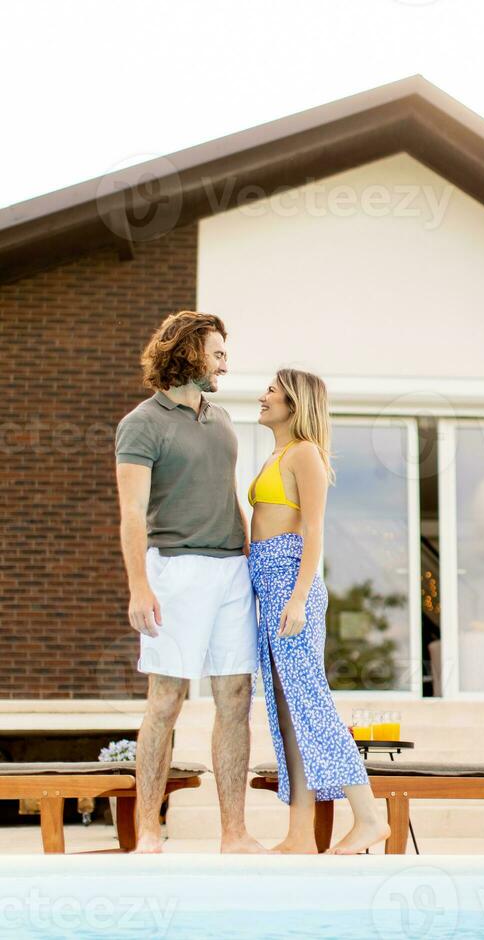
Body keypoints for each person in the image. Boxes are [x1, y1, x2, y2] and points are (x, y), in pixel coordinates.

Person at [114, 310, 264, 854]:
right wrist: (139, 585)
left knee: (236, 697)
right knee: (166, 699)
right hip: (175, 570)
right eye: (218, 353)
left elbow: (228, 496)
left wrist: (249, 561)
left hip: (232, 571)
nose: (226, 362)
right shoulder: (141, 423)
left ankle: (234, 833)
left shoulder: (221, 419)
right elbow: (132, 513)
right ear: (187, 352)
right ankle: (148, 830)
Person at [247, 368, 390, 855]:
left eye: (271, 391)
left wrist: (299, 598)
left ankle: (369, 817)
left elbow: (313, 532)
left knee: (311, 705)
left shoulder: (306, 453)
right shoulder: (278, 454)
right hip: (269, 586)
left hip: (290, 585)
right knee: (287, 713)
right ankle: (300, 834)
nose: (262, 397)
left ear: (294, 402)